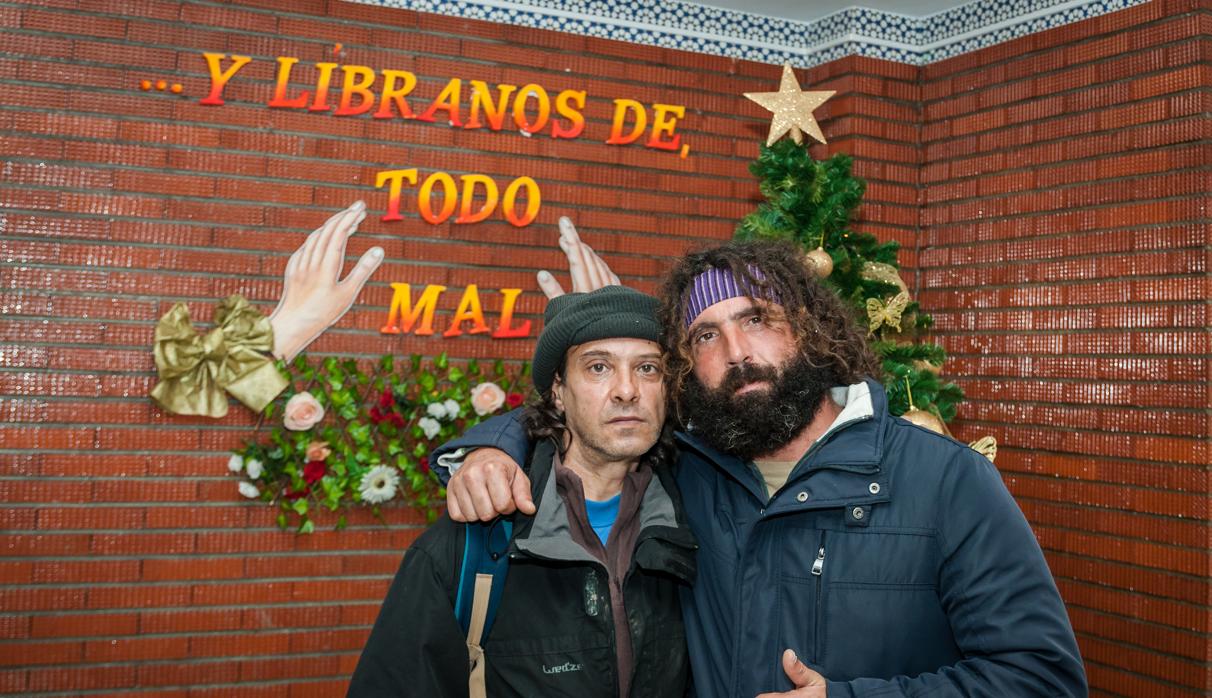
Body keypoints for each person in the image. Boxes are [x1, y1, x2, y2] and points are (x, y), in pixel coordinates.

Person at [432, 240, 1088, 697]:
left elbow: (1043, 677)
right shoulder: (685, 471)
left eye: (756, 319)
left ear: (809, 328)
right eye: (706, 336)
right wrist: (493, 446)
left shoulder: (944, 481)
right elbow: (589, 425)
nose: (738, 351)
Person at [348, 285, 696, 698]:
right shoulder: (474, 542)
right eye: (598, 367)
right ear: (559, 391)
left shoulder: (694, 519)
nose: (626, 389)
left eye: (648, 369)